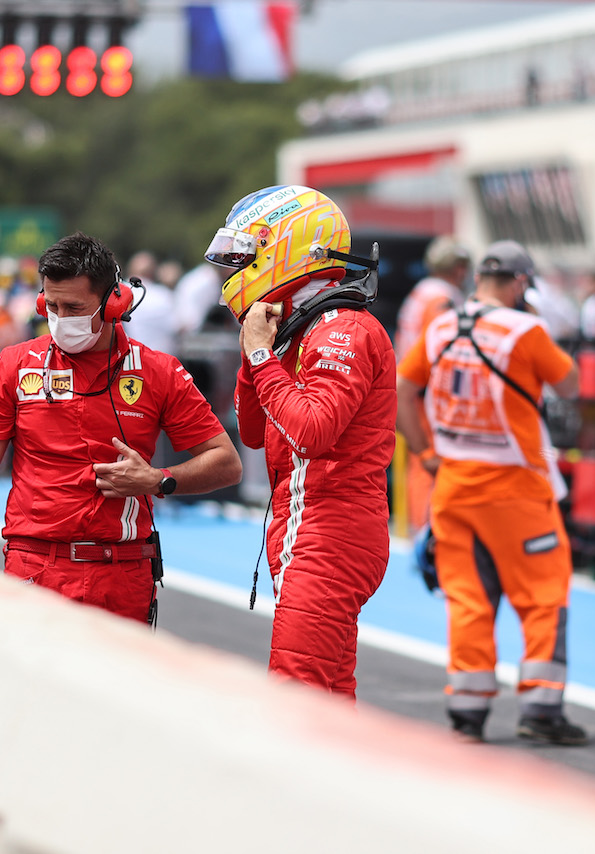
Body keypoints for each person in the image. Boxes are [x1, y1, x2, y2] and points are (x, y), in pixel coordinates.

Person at [0, 232, 242, 625]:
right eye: (51, 306)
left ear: (114, 302)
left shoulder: (158, 371)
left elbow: (226, 462)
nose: (61, 319)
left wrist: (157, 480)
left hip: (123, 575)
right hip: (34, 569)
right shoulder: (16, 364)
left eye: (74, 307)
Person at [208, 184, 397, 700]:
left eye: (245, 257)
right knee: (329, 698)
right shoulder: (303, 327)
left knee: (296, 700)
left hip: (330, 531)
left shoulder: (344, 329)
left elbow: (312, 433)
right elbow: (252, 432)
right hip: (309, 527)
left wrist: (263, 358)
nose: (233, 273)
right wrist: (258, 353)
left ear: (288, 252)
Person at [396, 239, 586, 745]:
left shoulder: (439, 328)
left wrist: (426, 453)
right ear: (520, 283)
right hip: (517, 488)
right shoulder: (526, 329)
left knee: (468, 599)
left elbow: (402, 391)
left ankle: (468, 712)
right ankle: (542, 710)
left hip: (453, 484)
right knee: (543, 597)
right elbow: (570, 385)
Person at [394, 235, 470, 536]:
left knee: (419, 460)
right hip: (426, 393)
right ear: (458, 269)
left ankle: (420, 531)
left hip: (411, 388)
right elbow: (446, 349)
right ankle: (429, 534)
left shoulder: (420, 293)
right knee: (432, 462)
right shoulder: (443, 299)